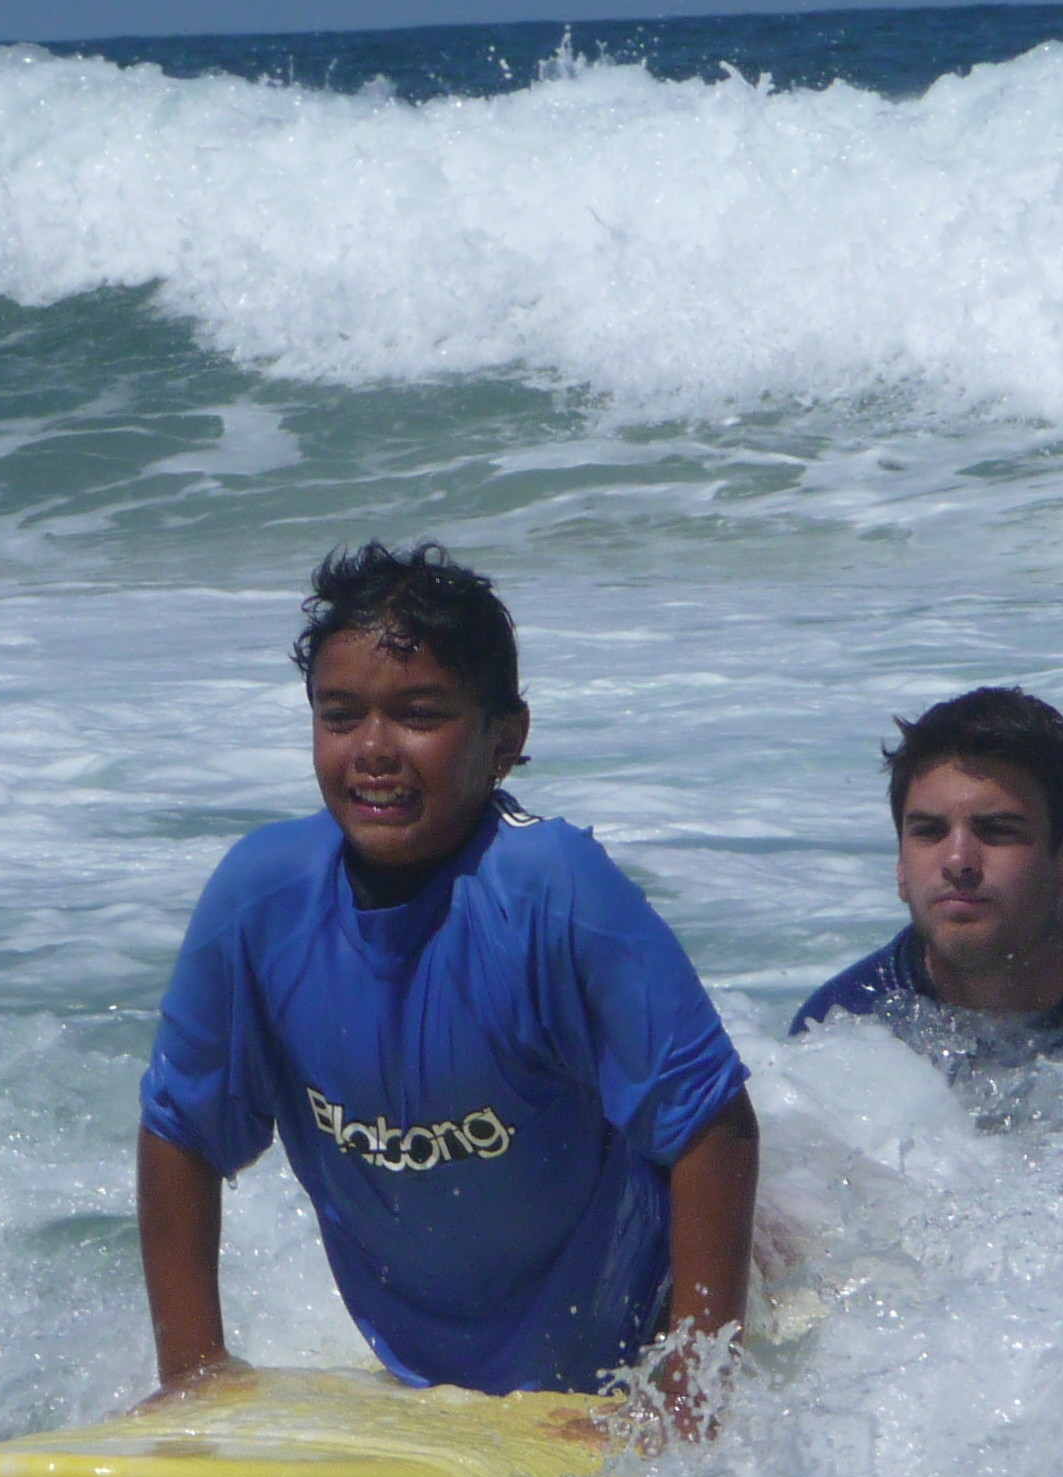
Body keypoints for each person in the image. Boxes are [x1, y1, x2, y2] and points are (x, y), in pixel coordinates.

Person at [137, 541, 758, 1418]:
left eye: (420, 714)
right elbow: (179, 1133)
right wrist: (194, 1376)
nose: (374, 750)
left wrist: (692, 1401)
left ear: (505, 738)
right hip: (427, 1371)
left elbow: (713, 1127)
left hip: (637, 1322)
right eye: (340, 715)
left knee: (787, 1260)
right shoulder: (261, 900)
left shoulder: (555, 889)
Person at [791, 686, 1063, 1058]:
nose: (957, 860)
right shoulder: (841, 1033)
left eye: (997, 831)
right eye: (929, 832)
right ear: (901, 866)